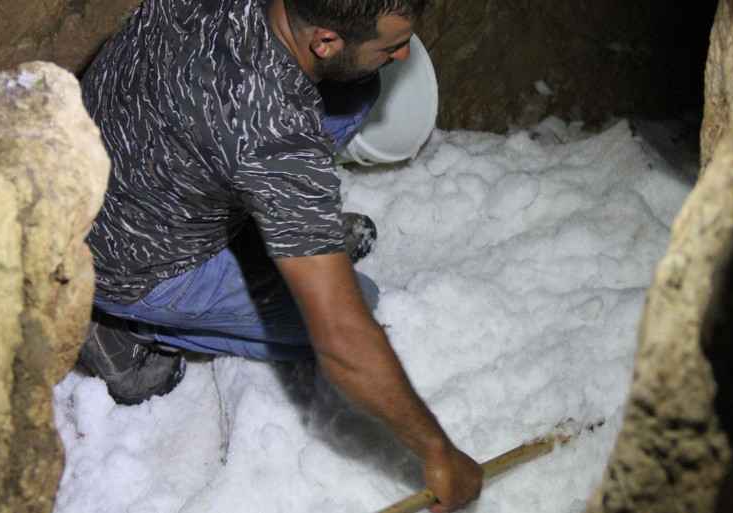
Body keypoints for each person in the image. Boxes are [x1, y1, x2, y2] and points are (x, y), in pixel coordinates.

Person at [77, 0, 483, 510]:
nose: (404, 54)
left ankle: (285, 222)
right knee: (361, 301)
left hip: (102, 148)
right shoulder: (273, 132)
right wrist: (437, 451)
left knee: (358, 90)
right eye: (390, 44)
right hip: (121, 260)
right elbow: (342, 342)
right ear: (325, 41)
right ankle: (116, 328)